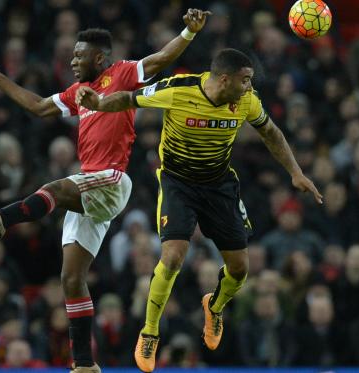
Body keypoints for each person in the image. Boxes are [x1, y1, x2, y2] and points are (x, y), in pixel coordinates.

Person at [0, 9, 211, 373]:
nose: (72, 60)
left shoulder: (123, 73)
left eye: (79, 55)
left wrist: (189, 32)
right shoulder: (78, 92)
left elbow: (160, 58)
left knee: (56, 188)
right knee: (71, 278)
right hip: (90, 191)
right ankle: (84, 364)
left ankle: (3, 218)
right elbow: (37, 107)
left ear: (99, 58)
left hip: (111, 179)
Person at [76, 48, 322, 372]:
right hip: (178, 182)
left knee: (239, 270)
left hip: (219, 185)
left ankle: (215, 307)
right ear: (224, 79)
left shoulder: (247, 101)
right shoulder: (178, 89)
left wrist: (295, 172)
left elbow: (271, 132)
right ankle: (150, 331)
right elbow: (129, 99)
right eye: (245, 80)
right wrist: (99, 104)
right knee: (174, 255)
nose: (250, 87)